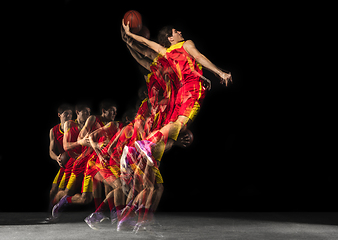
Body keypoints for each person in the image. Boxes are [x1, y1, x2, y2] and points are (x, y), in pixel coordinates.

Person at [122, 21, 232, 164]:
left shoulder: (165, 52)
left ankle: (136, 155)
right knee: (180, 125)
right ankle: (146, 145)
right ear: (170, 38)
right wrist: (220, 72)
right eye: (176, 32)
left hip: (181, 91)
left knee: (173, 131)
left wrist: (129, 34)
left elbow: (147, 43)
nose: (180, 32)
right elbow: (198, 57)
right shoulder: (186, 44)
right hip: (192, 89)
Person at [44, 104, 73, 223]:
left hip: (73, 162)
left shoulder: (74, 127)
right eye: (66, 114)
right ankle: (51, 214)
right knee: (53, 190)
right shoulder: (54, 130)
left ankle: (57, 212)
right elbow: (50, 151)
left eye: (70, 114)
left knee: (61, 190)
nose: (69, 116)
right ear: (59, 115)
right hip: (64, 164)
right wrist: (57, 158)